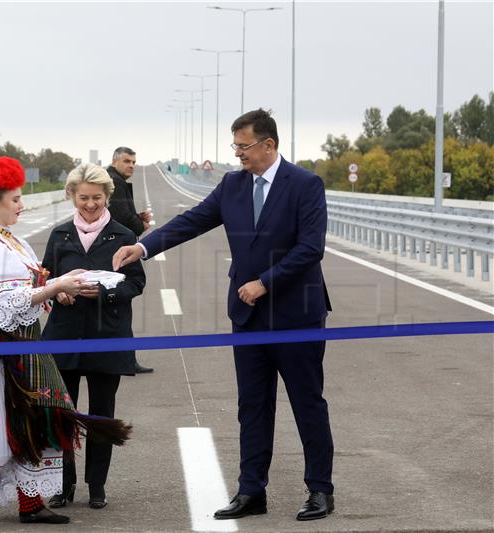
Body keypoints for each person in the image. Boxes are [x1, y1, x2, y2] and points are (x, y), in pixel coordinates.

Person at [113, 109, 335, 522]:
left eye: (243, 146)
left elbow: (310, 248)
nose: (237, 154)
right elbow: (192, 221)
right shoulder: (232, 185)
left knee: (307, 403)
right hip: (247, 316)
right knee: (252, 405)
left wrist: (265, 281)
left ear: (269, 145)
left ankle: (320, 489)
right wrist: (142, 248)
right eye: (234, 145)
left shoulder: (305, 185)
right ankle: (252, 491)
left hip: (295, 315)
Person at [0, 157, 131, 526]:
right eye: (16, 199)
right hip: (4, 353)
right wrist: (55, 287)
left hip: (25, 346)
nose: (22, 205)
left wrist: (58, 281)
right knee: (5, 428)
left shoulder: (9, 239)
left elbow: (26, 288)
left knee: (34, 424)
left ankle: (30, 503)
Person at [41, 163, 146, 510]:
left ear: (107, 198)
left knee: (102, 413)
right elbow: (44, 280)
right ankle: (63, 484)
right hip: (64, 336)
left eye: (97, 198)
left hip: (107, 335)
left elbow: (136, 283)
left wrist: (104, 292)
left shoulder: (123, 236)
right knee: (62, 414)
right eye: (83, 198)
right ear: (72, 196)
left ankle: (97, 485)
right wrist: (58, 291)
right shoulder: (59, 236)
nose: (90, 204)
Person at [107, 146, 154, 374]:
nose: (131, 166)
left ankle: (123, 358)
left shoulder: (115, 179)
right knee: (121, 307)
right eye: (127, 161)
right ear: (115, 161)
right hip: (118, 252)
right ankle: (125, 360)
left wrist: (136, 218)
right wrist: (140, 225)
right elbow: (121, 216)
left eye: (134, 162)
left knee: (118, 308)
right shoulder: (113, 182)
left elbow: (124, 214)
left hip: (118, 249)